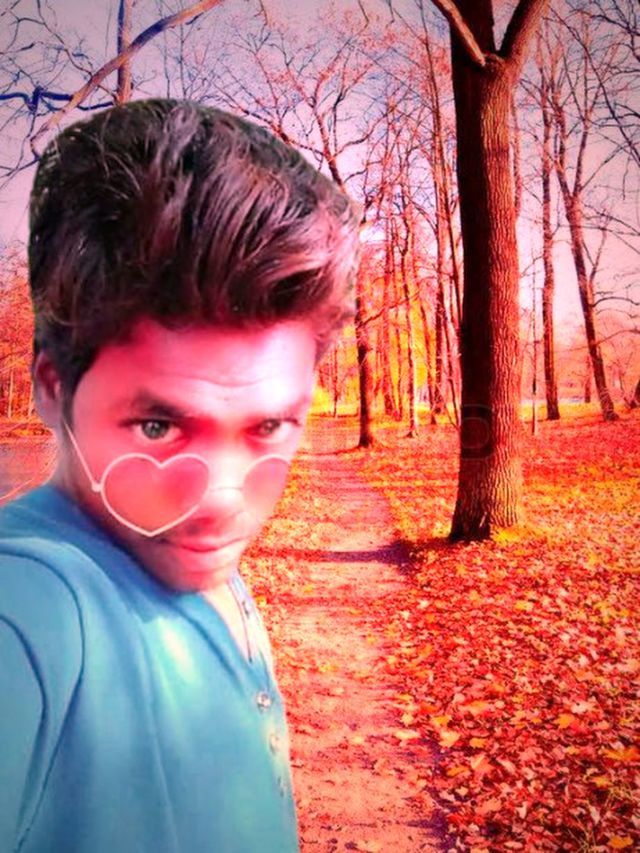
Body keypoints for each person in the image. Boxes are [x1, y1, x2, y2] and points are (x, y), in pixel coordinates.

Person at [0, 98, 361, 853]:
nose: (222, 501)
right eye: (159, 427)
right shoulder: (29, 613)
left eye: (268, 426)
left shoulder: (183, 551)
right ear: (53, 388)